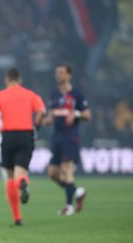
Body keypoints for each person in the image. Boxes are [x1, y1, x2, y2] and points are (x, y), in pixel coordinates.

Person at [0, 68, 46, 226]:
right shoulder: (30, 95)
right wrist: (36, 128)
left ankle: (17, 217)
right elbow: (42, 112)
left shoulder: (0, 96)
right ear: (20, 80)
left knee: (9, 176)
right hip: (25, 135)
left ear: (7, 80)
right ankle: (23, 182)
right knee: (21, 172)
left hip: (8, 137)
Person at [43, 64, 91, 216]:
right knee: (52, 173)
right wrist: (48, 120)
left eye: (61, 72)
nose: (58, 75)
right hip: (57, 137)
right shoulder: (54, 94)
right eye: (57, 72)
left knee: (66, 169)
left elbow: (87, 115)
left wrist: (76, 114)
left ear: (69, 75)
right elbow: (52, 113)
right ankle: (77, 191)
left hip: (71, 137)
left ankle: (68, 206)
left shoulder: (77, 95)